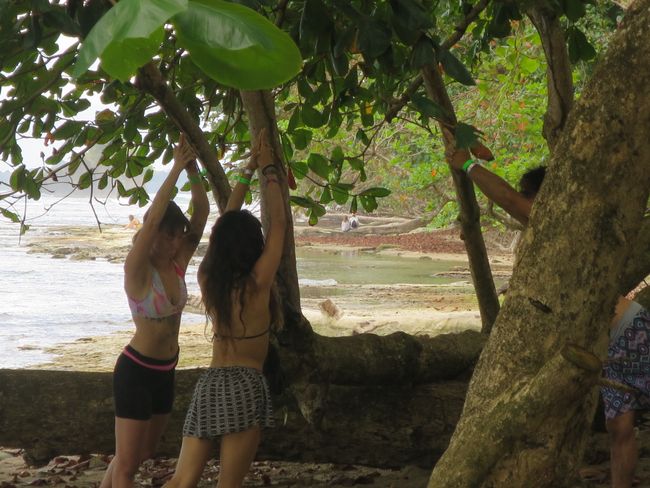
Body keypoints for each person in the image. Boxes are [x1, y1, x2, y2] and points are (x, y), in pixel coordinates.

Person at [446, 145, 647, 488]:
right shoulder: (548, 235)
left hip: (628, 331)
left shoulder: (565, 221)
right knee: (619, 429)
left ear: (547, 196)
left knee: (621, 428)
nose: (523, 201)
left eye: (529, 195)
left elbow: (508, 198)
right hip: (606, 342)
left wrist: (467, 163)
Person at [164, 129, 286, 488]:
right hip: (246, 384)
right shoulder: (257, 282)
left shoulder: (207, 278)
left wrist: (247, 171)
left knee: (182, 479)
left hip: (211, 383)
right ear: (253, 245)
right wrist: (268, 171)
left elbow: (222, 226)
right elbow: (278, 224)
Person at [100, 134, 209, 488]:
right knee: (129, 466)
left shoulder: (176, 263)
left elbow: (203, 211)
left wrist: (193, 170)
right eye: (171, 235)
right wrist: (175, 167)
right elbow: (150, 223)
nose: (179, 241)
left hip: (166, 370)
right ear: (157, 234)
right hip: (135, 370)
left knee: (139, 455)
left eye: (180, 235)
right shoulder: (138, 269)